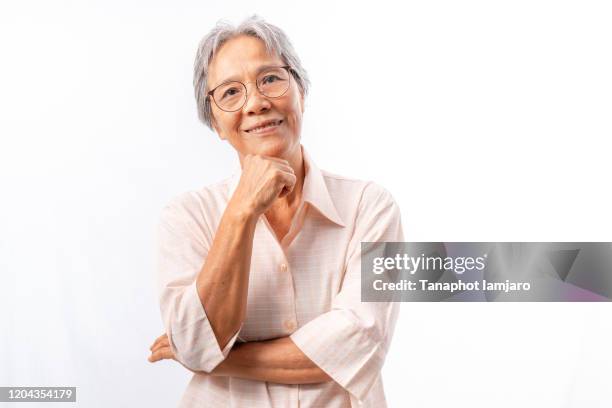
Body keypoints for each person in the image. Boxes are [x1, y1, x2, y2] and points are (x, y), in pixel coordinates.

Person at [148, 15, 404, 408]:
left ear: (301, 91)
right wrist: (241, 213)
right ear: (215, 121)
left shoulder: (368, 206)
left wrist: (217, 361)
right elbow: (197, 341)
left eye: (270, 79)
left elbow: (360, 341)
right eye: (231, 92)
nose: (256, 102)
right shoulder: (187, 217)